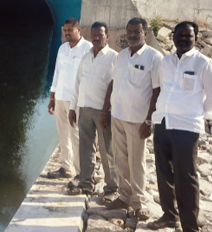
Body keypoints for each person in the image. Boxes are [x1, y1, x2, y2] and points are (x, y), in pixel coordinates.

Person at [147, 21, 212, 232]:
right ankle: (169, 215)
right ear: (173, 37)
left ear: (195, 37)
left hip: (186, 128)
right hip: (163, 123)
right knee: (163, 173)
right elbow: (160, 89)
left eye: (187, 35)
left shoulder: (203, 64)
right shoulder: (165, 61)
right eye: (179, 35)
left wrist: (197, 113)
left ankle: (191, 231)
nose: (182, 39)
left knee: (186, 178)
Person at [100, 18, 162, 221]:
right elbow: (114, 83)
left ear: (145, 33)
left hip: (138, 120)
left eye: (136, 31)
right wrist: (105, 111)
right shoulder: (122, 56)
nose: (132, 35)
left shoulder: (154, 58)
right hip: (117, 115)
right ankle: (124, 195)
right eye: (129, 31)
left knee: (137, 161)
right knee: (120, 158)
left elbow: (157, 91)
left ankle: (139, 202)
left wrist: (149, 121)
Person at [67, 22, 118, 197]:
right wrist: (73, 108)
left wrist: (107, 112)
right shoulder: (86, 56)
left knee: (107, 150)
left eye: (100, 35)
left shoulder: (114, 58)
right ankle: (86, 182)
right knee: (86, 147)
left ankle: (112, 187)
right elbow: (77, 83)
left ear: (107, 36)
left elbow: (115, 87)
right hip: (84, 110)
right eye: (94, 35)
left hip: (104, 112)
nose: (96, 38)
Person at [48, 18, 93, 179]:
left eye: (70, 30)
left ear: (78, 30)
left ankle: (80, 172)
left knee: (76, 136)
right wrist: (52, 97)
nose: (66, 33)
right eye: (65, 30)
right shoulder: (62, 49)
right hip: (60, 97)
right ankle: (66, 168)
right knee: (63, 134)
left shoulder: (87, 49)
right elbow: (57, 73)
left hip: (76, 101)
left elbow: (88, 77)